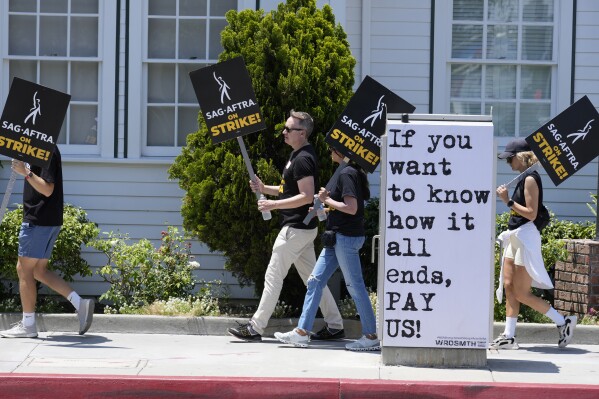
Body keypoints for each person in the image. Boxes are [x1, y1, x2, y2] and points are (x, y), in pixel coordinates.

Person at [228, 110, 344, 342]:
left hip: (295, 229)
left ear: (302, 133)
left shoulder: (302, 159)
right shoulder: (298, 155)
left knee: (273, 276)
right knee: (313, 279)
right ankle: (335, 324)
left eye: (288, 129)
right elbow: (288, 190)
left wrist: (273, 204)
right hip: (302, 230)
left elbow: (306, 195)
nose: (283, 132)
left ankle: (256, 327)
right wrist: (265, 187)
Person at [274, 146, 379, 351]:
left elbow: (352, 208)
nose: (329, 151)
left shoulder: (348, 173)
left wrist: (327, 199)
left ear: (342, 153)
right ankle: (302, 332)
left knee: (354, 285)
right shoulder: (347, 171)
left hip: (346, 239)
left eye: (332, 148)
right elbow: (345, 209)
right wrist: (324, 209)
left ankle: (371, 336)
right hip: (336, 237)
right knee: (314, 281)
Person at [0, 148, 94, 338]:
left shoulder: (45, 149)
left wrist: (25, 172)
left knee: (23, 269)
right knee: (38, 271)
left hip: (38, 220)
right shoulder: (35, 148)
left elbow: (47, 189)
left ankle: (28, 325)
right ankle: (79, 304)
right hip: (46, 220)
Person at [492, 138, 576, 349]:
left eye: (510, 159)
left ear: (520, 157)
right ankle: (509, 336)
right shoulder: (522, 178)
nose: (508, 163)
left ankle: (562, 321)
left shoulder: (530, 179)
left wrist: (508, 201)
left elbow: (531, 213)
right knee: (509, 286)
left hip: (525, 236)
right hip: (515, 234)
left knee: (520, 292)